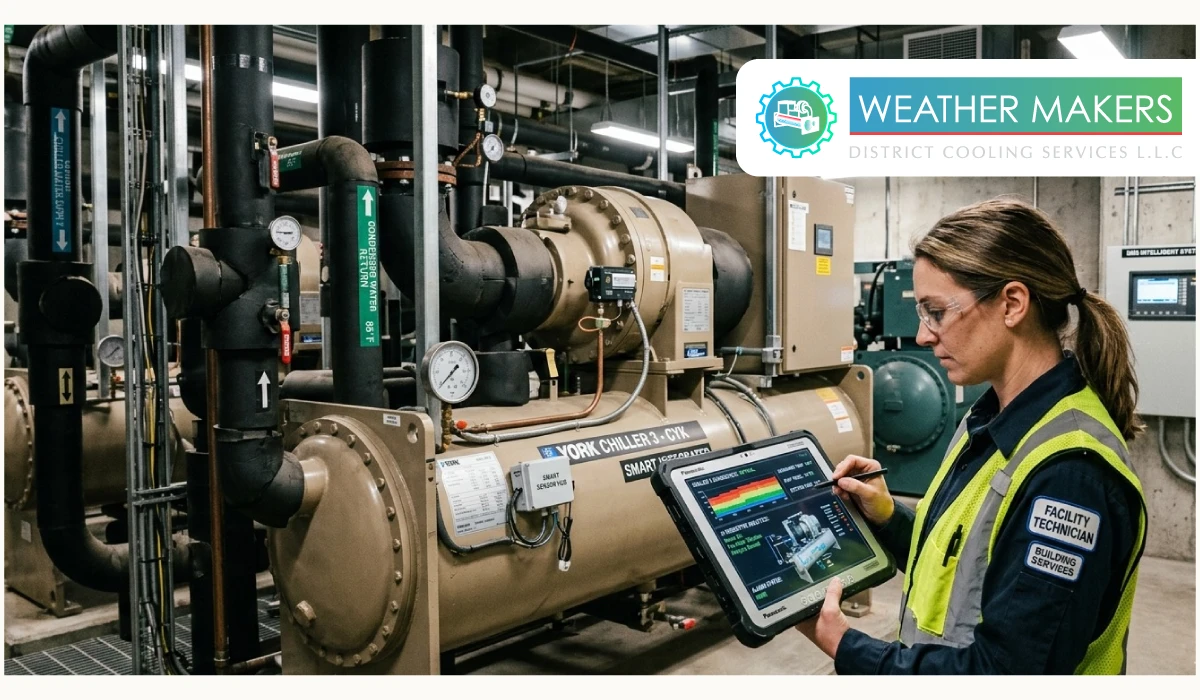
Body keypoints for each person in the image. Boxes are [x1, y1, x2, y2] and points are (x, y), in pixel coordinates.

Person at [797, 198, 1147, 674]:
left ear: (1012, 304)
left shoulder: (1069, 476)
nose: (923, 335)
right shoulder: (990, 422)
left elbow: (1006, 671)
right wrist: (888, 519)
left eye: (936, 312)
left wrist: (847, 646)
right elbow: (965, 569)